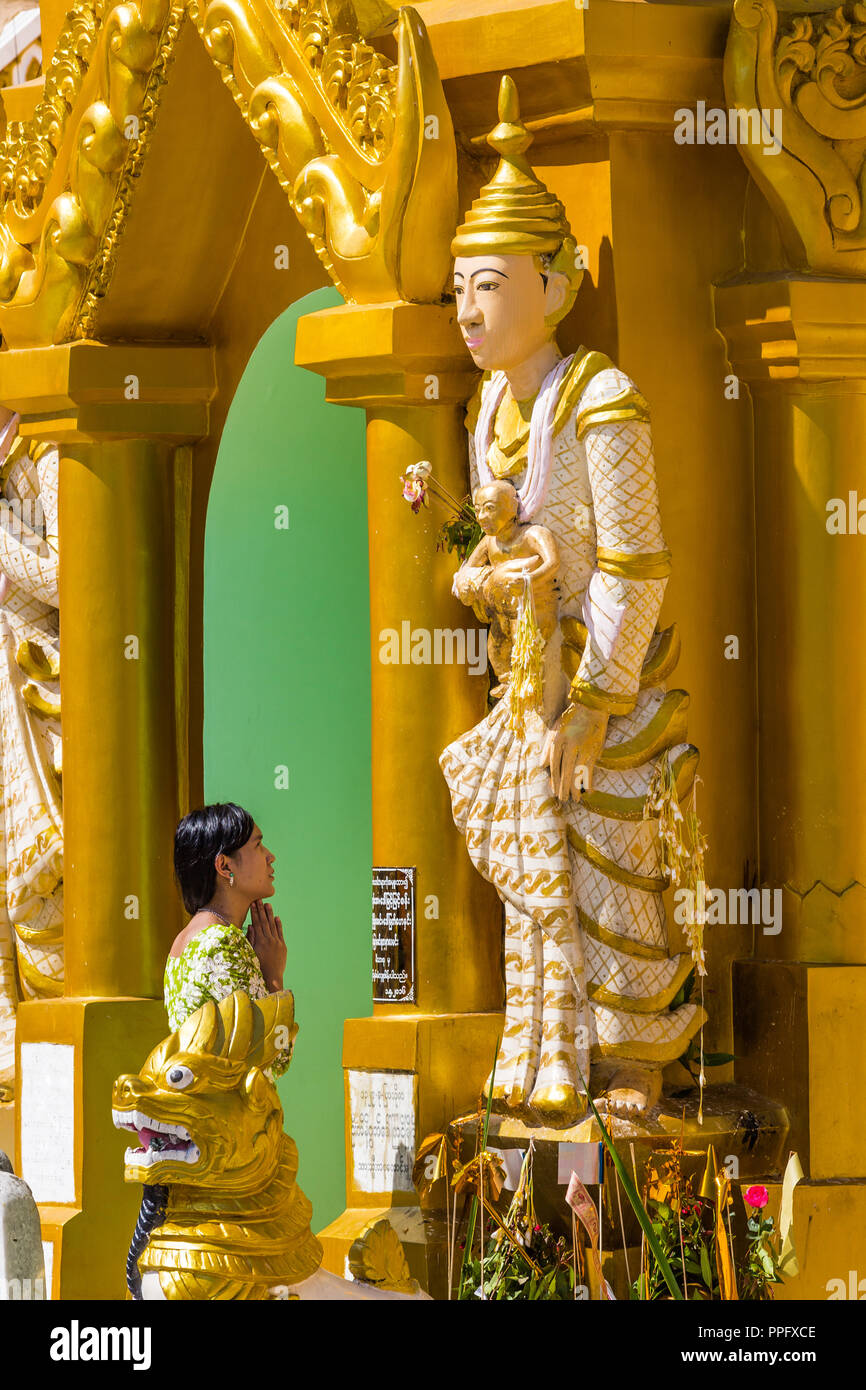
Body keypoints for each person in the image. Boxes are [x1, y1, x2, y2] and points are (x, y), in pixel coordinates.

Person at [440, 76, 704, 1119]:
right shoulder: (481, 410)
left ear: (553, 288)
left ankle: (629, 1080)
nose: (467, 310)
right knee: (530, 897)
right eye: (459, 288)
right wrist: (480, 568)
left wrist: (594, 702)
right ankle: (543, 1068)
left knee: (607, 879)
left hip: (601, 690)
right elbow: (477, 544)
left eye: (489, 286)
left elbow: (636, 558)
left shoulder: (599, 397)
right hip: (523, 686)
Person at [167, 803, 292, 1075]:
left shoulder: (184, 940)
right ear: (224, 866)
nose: (270, 857)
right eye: (258, 846)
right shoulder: (222, 942)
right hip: (225, 1112)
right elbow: (274, 1057)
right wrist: (273, 975)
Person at [456, 479, 559, 689]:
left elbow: (553, 562)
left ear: (512, 507)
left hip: (532, 610)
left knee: (526, 652)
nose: (481, 517)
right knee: (495, 650)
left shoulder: (532, 535)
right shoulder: (488, 541)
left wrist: (530, 580)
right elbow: (468, 568)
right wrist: (465, 582)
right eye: (477, 511)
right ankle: (507, 687)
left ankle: (527, 693)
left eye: (489, 509)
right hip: (499, 613)